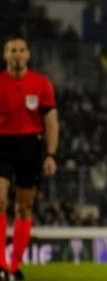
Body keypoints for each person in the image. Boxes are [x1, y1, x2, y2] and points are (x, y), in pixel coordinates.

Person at [0, 37, 59, 281]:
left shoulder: (41, 83)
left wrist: (51, 154)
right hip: (2, 144)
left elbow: (51, 121)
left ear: (28, 54)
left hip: (30, 146)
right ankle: (0, 264)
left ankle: (14, 267)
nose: (17, 54)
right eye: (12, 50)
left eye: (21, 50)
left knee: (23, 208)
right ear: (5, 55)